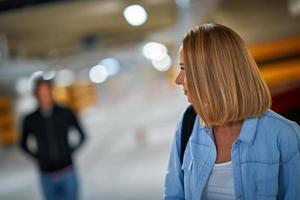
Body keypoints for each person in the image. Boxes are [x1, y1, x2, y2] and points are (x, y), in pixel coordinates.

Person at [164, 23, 300, 200]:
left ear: (211, 73)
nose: (178, 80)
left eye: (184, 69)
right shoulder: (188, 123)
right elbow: (175, 195)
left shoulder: (284, 135)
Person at [20, 78, 86, 200]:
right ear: (36, 94)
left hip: (67, 171)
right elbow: (22, 144)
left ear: (51, 91)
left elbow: (83, 136)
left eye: (47, 91)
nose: (44, 95)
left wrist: (69, 152)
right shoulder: (31, 119)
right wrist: (38, 157)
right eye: (41, 92)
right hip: (46, 174)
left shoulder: (65, 112)